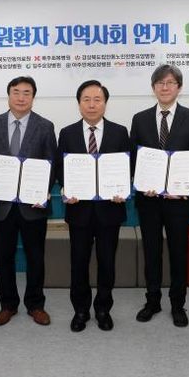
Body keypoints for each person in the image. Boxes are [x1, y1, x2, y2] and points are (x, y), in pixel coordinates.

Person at [129, 64, 189, 327]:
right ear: (153, 88)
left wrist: (182, 187)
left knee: (178, 253)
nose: (165, 87)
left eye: (170, 82)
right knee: (151, 252)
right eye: (160, 83)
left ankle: (177, 304)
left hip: (179, 202)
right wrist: (141, 182)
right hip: (148, 200)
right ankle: (152, 301)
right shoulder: (139, 119)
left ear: (179, 88)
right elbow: (134, 158)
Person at [0, 76, 57, 327]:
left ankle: (36, 305)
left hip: (32, 206)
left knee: (36, 257)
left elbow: (51, 164)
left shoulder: (45, 126)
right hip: (1, 205)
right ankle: (8, 305)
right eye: (16, 92)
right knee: (4, 257)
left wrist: (43, 191)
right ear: (9, 95)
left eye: (26, 93)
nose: (21, 97)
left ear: (33, 97)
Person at [56, 80, 130, 332]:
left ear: (105, 103)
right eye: (86, 99)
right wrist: (66, 190)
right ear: (78, 103)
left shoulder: (120, 132)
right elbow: (61, 169)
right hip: (79, 210)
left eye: (97, 99)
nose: (91, 104)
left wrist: (122, 190)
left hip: (110, 210)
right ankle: (80, 310)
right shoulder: (67, 133)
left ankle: (103, 309)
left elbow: (126, 167)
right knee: (78, 263)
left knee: (107, 263)